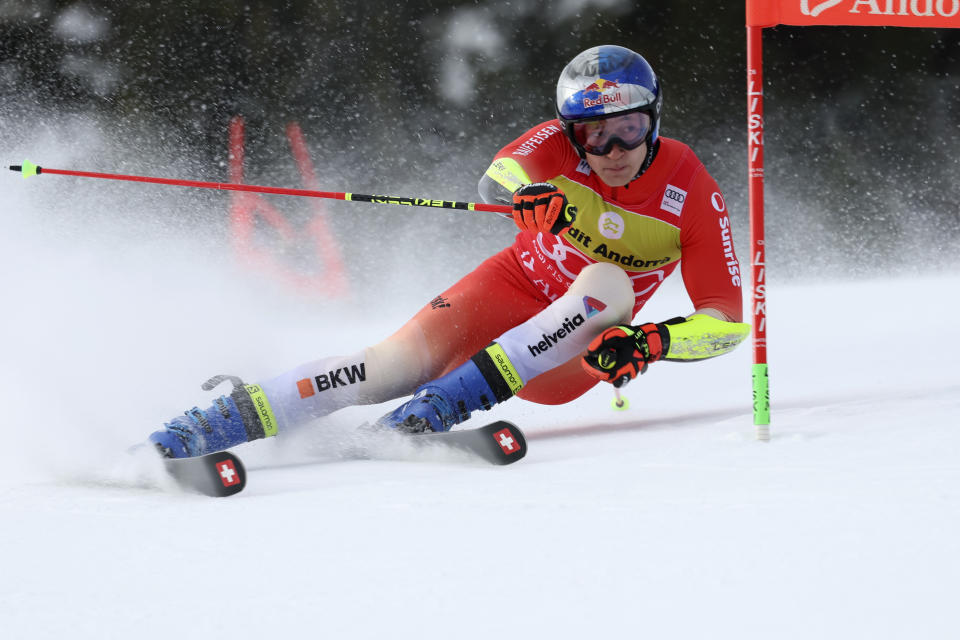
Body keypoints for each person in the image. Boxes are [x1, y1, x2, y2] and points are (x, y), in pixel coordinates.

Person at [148, 44, 750, 458]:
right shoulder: (561, 147)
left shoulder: (690, 190)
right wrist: (529, 193)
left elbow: (725, 322)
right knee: (388, 363)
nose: (612, 147)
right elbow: (501, 172)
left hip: (568, 354)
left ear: (654, 120)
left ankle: (439, 407)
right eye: (594, 133)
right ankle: (210, 425)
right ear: (573, 132)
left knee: (609, 283)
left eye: (630, 128)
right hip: (510, 287)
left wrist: (655, 341)